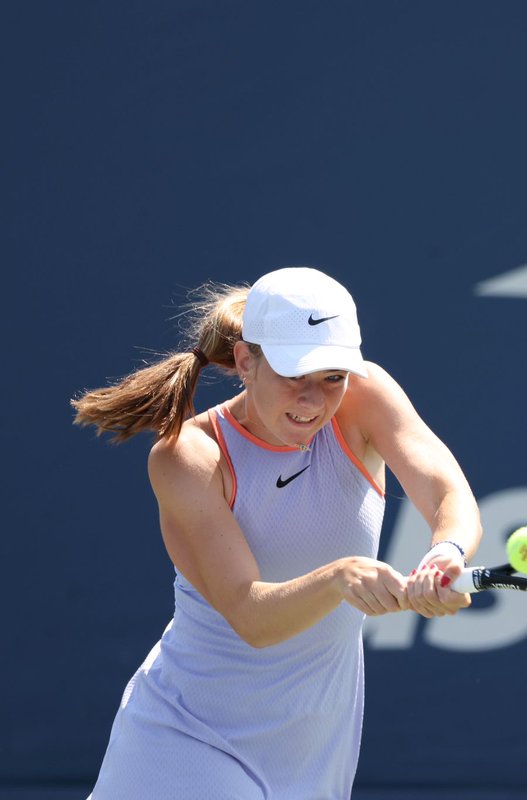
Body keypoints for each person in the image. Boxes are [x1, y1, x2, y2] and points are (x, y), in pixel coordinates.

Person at [71, 266, 482, 799]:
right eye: (295, 375)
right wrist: (340, 577)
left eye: (332, 377)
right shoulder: (189, 457)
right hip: (189, 740)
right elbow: (252, 616)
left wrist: (444, 553)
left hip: (315, 750)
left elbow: (448, 493)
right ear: (247, 361)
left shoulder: (366, 396)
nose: (314, 399)